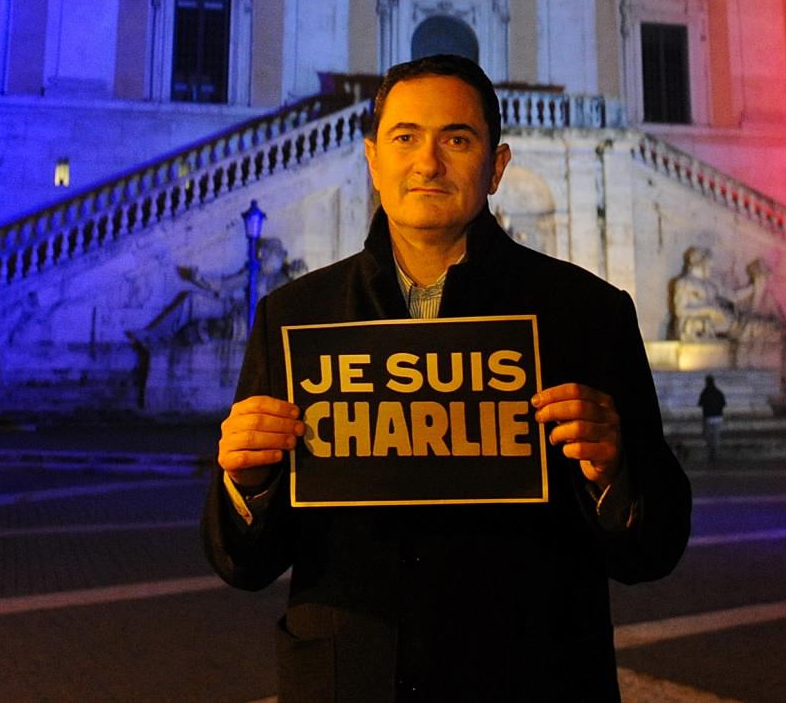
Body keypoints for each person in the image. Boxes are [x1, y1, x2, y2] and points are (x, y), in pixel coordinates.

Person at [202, 55, 691, 701]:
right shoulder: (294, 319)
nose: (427, 164)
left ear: (497, 167)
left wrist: (614, 477)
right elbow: (244, 563)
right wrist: (246, 485)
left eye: (456, 140)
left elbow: (652, 550)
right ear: (373, 160)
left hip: (531, 682)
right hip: (351, 680)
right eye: (405, 138)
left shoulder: (587, 315)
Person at [697, 375, 727, 465]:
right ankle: (715, 454)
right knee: (716, 436)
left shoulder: (705, 392)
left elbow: (700, 404)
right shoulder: (718, 392)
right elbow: (724, 403)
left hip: (708, 417)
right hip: (718, 417)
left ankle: (712, 453)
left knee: (708, 436)